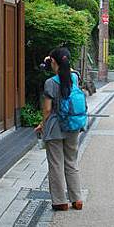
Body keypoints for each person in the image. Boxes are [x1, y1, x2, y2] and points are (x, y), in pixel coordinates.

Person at [34, 46, 84, 211]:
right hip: (73, 126)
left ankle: (60, 202)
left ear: (53, 62)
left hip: (55, 127)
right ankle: (77, 199)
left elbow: (47, 110)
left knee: (56, 164)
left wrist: (42, 124)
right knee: (71, 161)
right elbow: (68, 70)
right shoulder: (75, 77)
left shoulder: (50, 83)